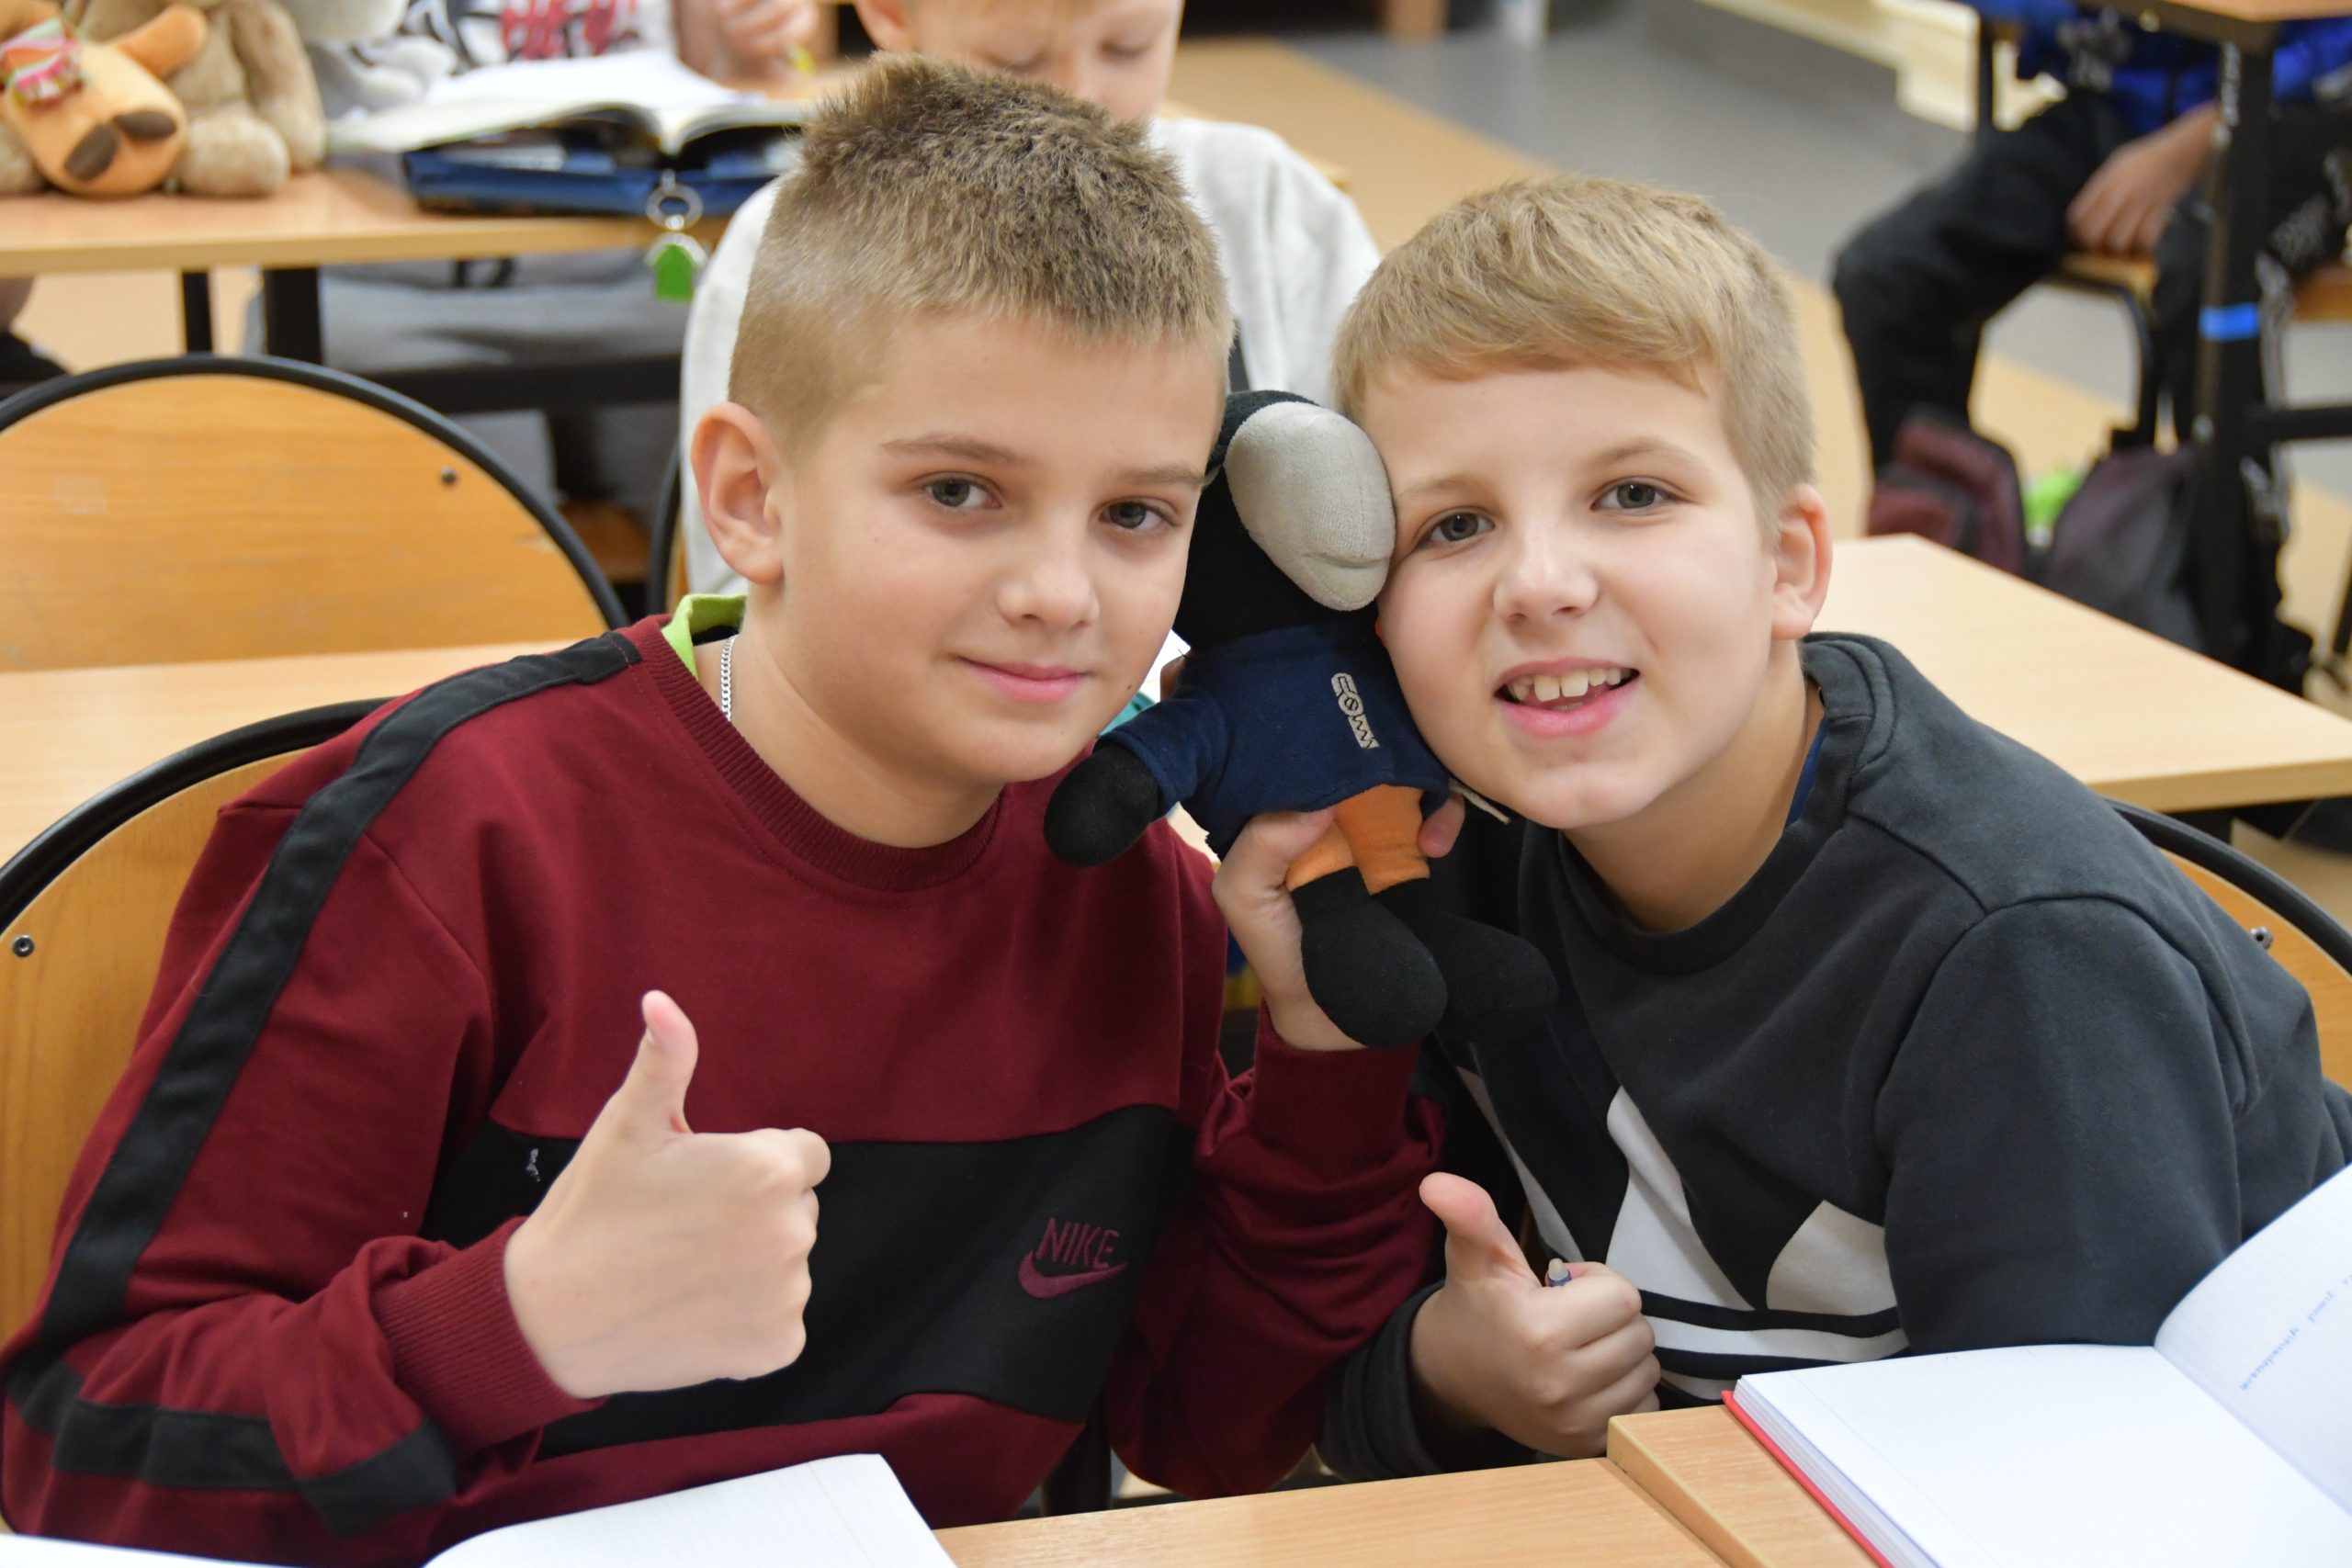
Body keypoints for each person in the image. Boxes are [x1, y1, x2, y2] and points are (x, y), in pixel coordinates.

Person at [1, 62, 1436, 1561]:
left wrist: (1325, 1057)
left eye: (1135, 514)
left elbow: (1206, 1429)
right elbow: (79, 1443)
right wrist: (519, 1323)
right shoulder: (448, 836)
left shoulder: (1137, 894)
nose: (1060, 593)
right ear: (749, 496)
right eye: (959, 492)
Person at [1303, 172, 2352, 1478]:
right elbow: (1305, 1400)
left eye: (1632, 494)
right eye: (1454, 525)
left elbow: (2086, 1501)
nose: (1543, 583)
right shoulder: (1443, 860)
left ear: (1790, 563)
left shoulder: (2022, 960)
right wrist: (1449, 1375)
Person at [676, 0, 1382, 597]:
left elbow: (1380, 523)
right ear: (890, 12)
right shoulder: (797, 238)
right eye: (1015, 58)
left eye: (1128, 47)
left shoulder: (1275, 208)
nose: (1081, 97)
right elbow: (746, 595)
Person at [288, 0, 825, 524]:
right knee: (495, 522)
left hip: (638, 278)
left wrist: (747, 42)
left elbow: (770, 60)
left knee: (755, 489)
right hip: (387, 291)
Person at [1833, 0, 2352, 468]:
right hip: (2119, 106)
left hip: (2296, 125)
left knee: (2208, 276)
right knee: (1887, 276)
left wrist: (2195, 145)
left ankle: (2231, 542)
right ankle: (1949, 520)